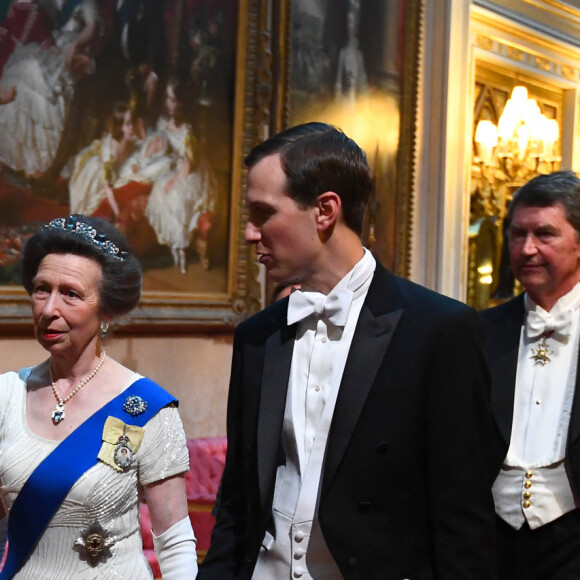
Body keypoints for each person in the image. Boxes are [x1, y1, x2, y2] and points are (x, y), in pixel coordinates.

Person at [199, 122, 497, 579]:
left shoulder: (439, 330)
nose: (249, 233)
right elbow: (237, 500)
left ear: (324, 210)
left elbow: (463, 518)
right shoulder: (257, 336)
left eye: (263, 213)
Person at [0, 214, 198, 578]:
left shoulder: (148, 407)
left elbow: (174, 543)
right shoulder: (5, 395)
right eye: (42, 289)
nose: (48, 310)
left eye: (71, 294)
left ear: (106, 310)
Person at [481, 170, 580, 579]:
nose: (527, 248)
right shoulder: (477, 332)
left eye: (545, 233)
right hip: (490, 544)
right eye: (517, 234)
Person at [69, 102, 137, 219]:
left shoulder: (129, 143)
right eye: (127, 124)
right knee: (95, 168)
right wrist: (117, 212)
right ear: (118, 127)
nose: (132, 127)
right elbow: (107, 187)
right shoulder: (111, 152)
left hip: (111, 178)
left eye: (131, 122)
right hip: (98, 177)